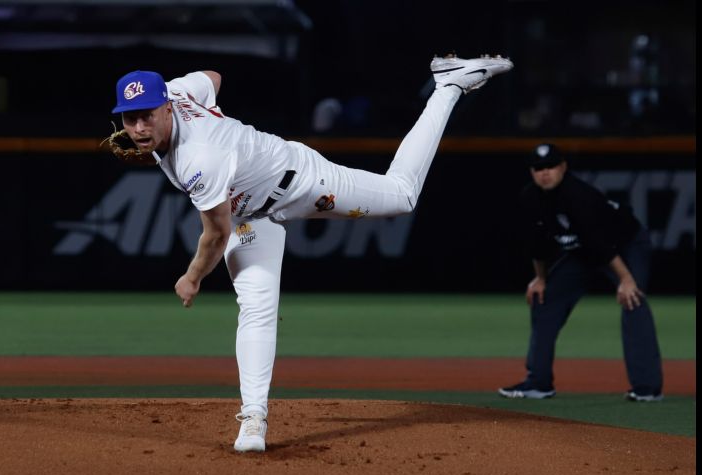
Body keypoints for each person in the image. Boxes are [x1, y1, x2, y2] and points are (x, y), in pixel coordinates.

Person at [110, 53, 514, 452]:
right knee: (256, 308)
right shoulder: (181, 91)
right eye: (131, 118)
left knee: (403, 195)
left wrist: (192, 277)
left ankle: (448, 85)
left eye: (148, 114)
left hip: (303, 182)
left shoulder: (198, 158)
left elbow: (216, 235)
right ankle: (253, 419)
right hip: (252, 213)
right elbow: (212, 77)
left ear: (166, 106)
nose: (140, 127)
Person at [498, 143, 664, 402]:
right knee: (545, 299)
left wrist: (626, 279)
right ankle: (538, 383)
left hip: (625, 244)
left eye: (551, 166)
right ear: (531, 172)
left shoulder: (578, 195)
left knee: (632, 300)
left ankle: (647, 388)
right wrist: (540, 279)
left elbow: (601, 244)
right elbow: (537, 244)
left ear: (563, 167)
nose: (545, 172)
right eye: (539, 168)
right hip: (583, 252)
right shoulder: (530, 198)